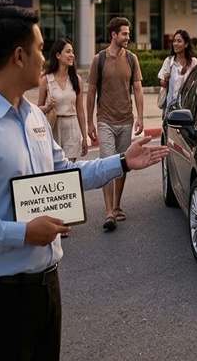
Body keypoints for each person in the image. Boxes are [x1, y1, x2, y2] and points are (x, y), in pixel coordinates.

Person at [0, 6, 169, 361]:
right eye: (41, 48)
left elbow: (65, 173)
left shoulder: (32, 118)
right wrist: (23, 232)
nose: (46, 55)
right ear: (19, 55)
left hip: (46, 289)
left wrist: (122, 162)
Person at [86, 17, 144, 232]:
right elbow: (91, 91)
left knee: (122, 166)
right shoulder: (98, 60)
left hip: (126, 120)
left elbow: (137, 89)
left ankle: (118, 205)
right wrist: (90, 122)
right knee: (106, 165)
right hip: (105, 120)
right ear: (114, 35)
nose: (128, 37)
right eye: (124, 34)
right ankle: (109, 212)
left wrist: (140, 117)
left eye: (128, 34)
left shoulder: (131, 59)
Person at [38, 38, 88, 162]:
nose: (72, 55)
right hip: (53, 127)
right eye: (68, 52)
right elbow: (38, 109)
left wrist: (84, 137)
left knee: (69, 171)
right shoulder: (46, 80)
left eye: (72, 52)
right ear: (58, 55)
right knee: (54, 169)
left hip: (72, 127)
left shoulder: (77, 80)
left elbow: (80, 110)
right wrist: (47, 107)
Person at [158, 29, 197, 115]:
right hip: (170, 107)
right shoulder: (169, 61)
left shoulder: (193, 62)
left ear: (186, 44)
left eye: (179, 41)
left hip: (187, 107)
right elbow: (162, 83)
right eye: (174, 41)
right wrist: (165, 79)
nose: (175, 44)